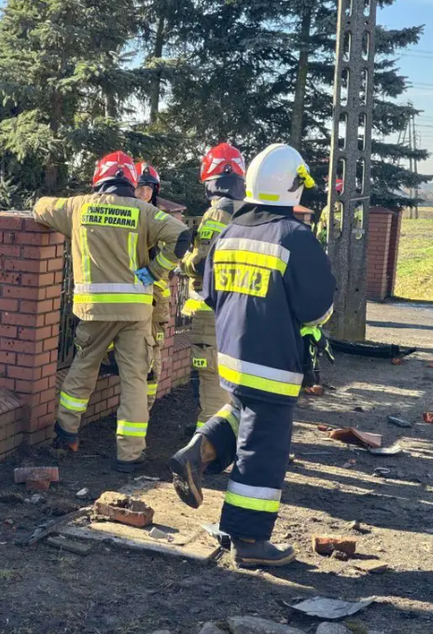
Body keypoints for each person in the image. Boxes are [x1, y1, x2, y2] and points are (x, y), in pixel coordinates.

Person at [168, 143, 336, 568]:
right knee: (264, 449)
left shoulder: (228, 233)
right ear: (293, 188)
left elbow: (207, 292)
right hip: (274, 360)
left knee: (242, 410)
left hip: (233, 355)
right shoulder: (295, 237)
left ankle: (199, 449)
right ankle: (248, 540)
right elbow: (319, 308)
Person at [33, 151, 189, 472]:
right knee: (133, 380)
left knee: (84, 367)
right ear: (131, 182)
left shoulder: (78, 206)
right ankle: (129, 455)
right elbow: (182, 236)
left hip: (94, 310)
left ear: (99, 179)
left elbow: (40, 207)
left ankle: (66, 434)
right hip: (135, 311)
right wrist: (155, 271)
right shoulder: (144, 211)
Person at [179, 142, 246, 431]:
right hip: (244, 307)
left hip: (213, 312)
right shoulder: (254, 210)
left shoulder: (219, 213)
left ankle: (207, 444)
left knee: (211, 377)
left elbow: (202, 261)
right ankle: (235, 436)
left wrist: (181, 262)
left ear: (212, 182)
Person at [135, 162, 171, 409]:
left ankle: (144, 409)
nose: (145, 192)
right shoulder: (127, 214)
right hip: (130, 294)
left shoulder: (160, 218)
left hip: (156, 294)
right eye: (140, 186)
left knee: (153, 351)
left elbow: (175, 246)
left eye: (149, 188)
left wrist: (154, 271)